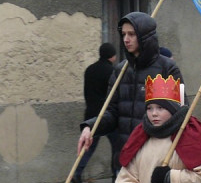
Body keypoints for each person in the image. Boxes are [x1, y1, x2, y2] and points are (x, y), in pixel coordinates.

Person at [77, 12, 181, 174]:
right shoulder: (120, 71)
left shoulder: (166, 68)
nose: (126, 39)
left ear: (145, 36)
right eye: (124, 34)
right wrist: (91, 127)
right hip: (126, 158)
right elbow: (112, 113)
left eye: (132, 34)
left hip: (156, 159)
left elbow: (180, 112)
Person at [72, 42, 118, 183]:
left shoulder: (89, 70)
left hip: (91, 113)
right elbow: (114, 94)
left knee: (88, 146)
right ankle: (116, 175)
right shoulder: (112, 71)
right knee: (117, 145)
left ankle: (76, 173)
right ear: (112, 55)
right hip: (107, 115)